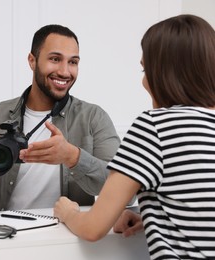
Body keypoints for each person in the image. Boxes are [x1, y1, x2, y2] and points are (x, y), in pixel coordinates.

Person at [54, 14, 215, 259]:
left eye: (145, 68)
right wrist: (150, 215)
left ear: (164, 73)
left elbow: (93, 228)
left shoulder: (155, 127)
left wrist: (67, 212)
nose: (143, 80)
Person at [0, 24, 120, 212]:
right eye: (55, 59)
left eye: (73, 62)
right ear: (32, 60)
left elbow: (124, 193)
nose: (65, 71)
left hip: (67, 236)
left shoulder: (94, 117)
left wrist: (73, 157)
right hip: (5, 235)